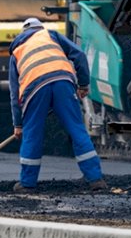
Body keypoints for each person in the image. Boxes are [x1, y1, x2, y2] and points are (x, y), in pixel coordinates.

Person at [8, 17, 107, 192]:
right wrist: (83, 84)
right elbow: (79, 55)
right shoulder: (51, 35)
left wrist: (18, 124)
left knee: (32, 133)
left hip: (34, 88)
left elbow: (15, 94)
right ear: (40, 28)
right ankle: (95, 179)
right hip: (63, 81)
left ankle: (27, 183)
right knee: (77, 130)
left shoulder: (17, 50)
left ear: (23, 33)